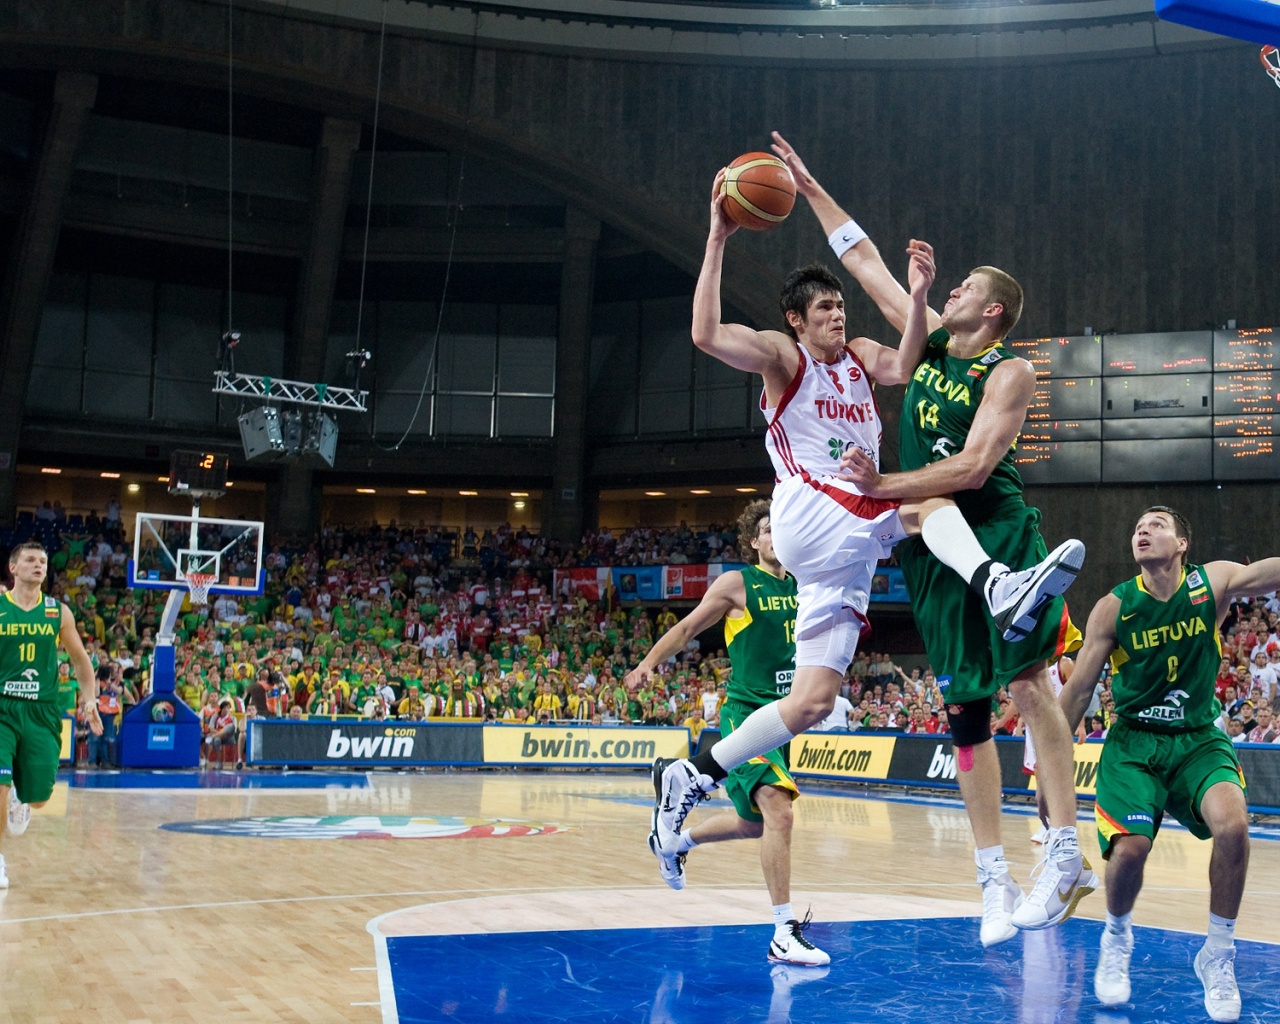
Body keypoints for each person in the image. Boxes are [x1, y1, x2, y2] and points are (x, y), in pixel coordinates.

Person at [651, 152, 1088, 946]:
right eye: (823, 309)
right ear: (795, 320)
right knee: (921, 501)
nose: (838, 317)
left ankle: (696, 772)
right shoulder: (786, 361)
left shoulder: (876, 359)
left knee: (814, 699)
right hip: (813, 514)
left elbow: (903, 338)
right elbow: (707, 332)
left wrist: (918, 298)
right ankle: (995, 581)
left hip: (845, 553)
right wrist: (720, 235)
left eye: (840, 310)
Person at [1059, 506, 1278, 1022]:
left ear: (1182, 543)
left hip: (1198, 737)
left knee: (1234, 826)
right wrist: (1050, 765)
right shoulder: (1114, 607)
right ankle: (1117, 936)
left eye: (1157, 524)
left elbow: (1263, 573)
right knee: (1131, 850)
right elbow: (1078, 691)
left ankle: (1218, 953)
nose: (1143, 529)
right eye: (1138, 525)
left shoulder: (1211, 584)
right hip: (1135, 742)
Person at [628, 500, 828, 967]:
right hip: (744, 713)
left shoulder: (805, 585)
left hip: (786, 719)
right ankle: (784, 931)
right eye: (767, 529)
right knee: (779, 811)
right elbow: (688, 627)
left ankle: (676, 842)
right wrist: (647, 663)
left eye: (784, 525)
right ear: (754, 542)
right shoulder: (738, 583)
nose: (777, 534)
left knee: (754, 824)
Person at [0, 541, 101, 888]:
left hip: (42, 710)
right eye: (29, 560)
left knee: (40, 797)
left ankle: (21, 798)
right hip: (2, 707)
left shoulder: (58, 612)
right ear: (13, 568)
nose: (38, 565)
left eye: (42, 560)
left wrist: (89, 701)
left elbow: (80, 661)